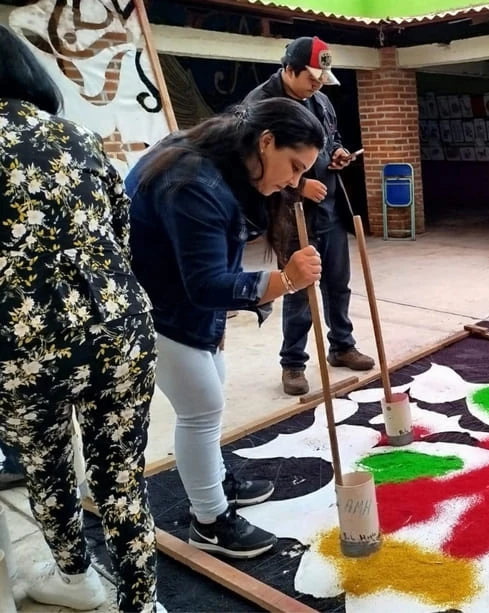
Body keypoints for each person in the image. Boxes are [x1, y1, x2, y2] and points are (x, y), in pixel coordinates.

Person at [0, 23, 161, 612]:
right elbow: (119, 233)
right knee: (122, 479)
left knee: (46, 470)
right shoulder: (76, 136)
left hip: (20, 347)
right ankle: (141, 604)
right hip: (118, 329)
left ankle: (76, 581)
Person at [125, 98, 325, 558]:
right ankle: (210, 520)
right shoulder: (194, 181)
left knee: (211, 387)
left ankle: (213, 480)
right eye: (293, 167)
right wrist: (286, 280)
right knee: (201, 406)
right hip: (155, 308)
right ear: (267, 141)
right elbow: (206, 284)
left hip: (177, 301)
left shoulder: (219, 159)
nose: (293, 183)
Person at [243, 36, 375, 397]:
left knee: (337, 283)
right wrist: (298, 187)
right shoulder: (260, 106)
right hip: (289, 213)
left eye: (321, 80)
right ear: (289, 69)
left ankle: (342, 346)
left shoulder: (320, 101)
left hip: (328, 207)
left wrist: (338, 153)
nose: (317, 85)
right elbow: (250, 166)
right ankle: (293, 363)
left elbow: (330, 139)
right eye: (312, 78)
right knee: (298, 286)